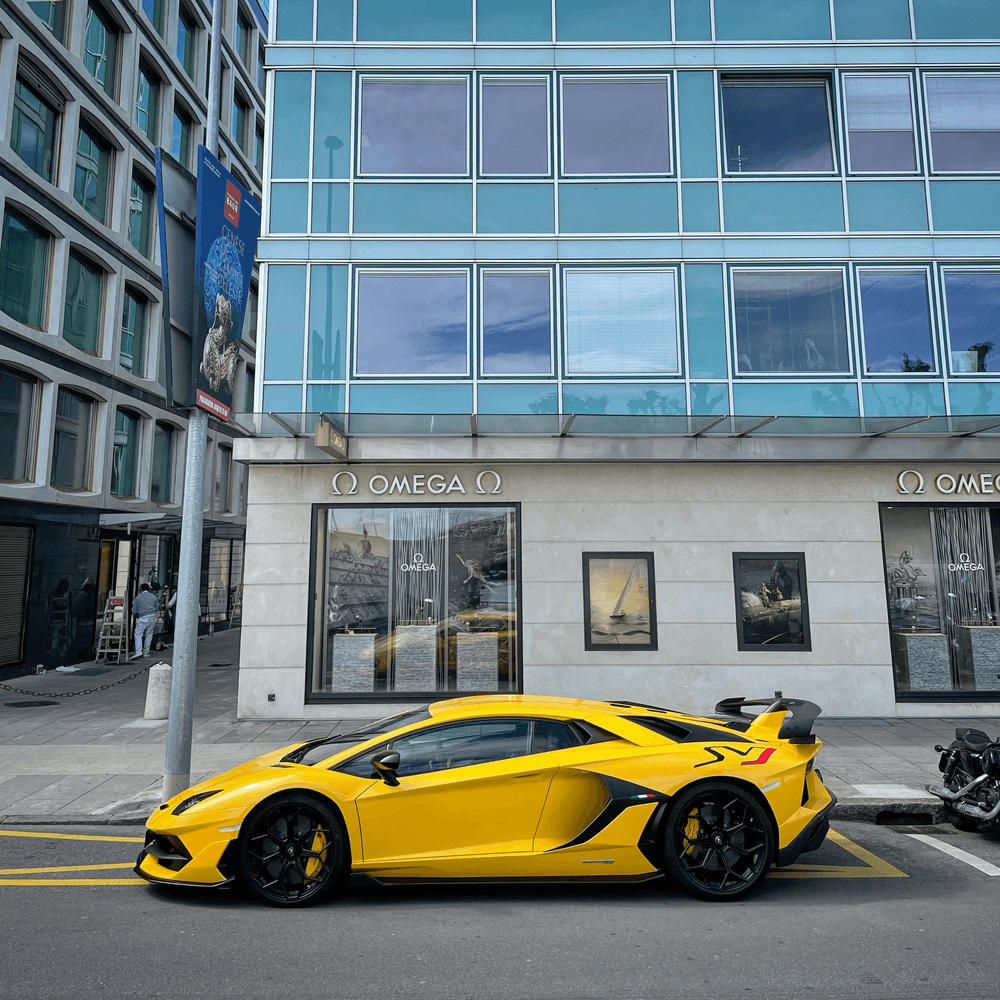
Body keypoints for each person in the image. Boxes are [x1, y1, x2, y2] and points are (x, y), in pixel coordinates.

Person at [131, 584, 158, 659]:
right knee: (149, 634)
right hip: (152, 616)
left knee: (138, 634)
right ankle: (146, 652)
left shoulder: (138, 598)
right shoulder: (154, 597)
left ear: (141, 589)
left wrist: (137, 615)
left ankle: (138, 651)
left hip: (143, 617)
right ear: (149, 589)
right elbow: (157, 608)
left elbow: (134, 611)